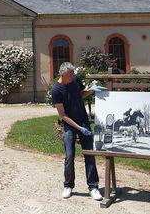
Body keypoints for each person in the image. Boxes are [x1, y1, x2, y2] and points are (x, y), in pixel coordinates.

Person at [51, 62, 102, 200]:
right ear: (63, 75)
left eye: (73, 74)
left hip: (83, 120)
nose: (73, 77)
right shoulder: (56, 90)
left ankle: (93, 187)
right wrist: (79, 128)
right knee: (69, 156)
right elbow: (63, 115)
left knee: (89, 154)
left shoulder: (74, 79)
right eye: (70, 75)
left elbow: (80, 94)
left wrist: (92, 90)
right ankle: (68, 185)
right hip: (69, 125)